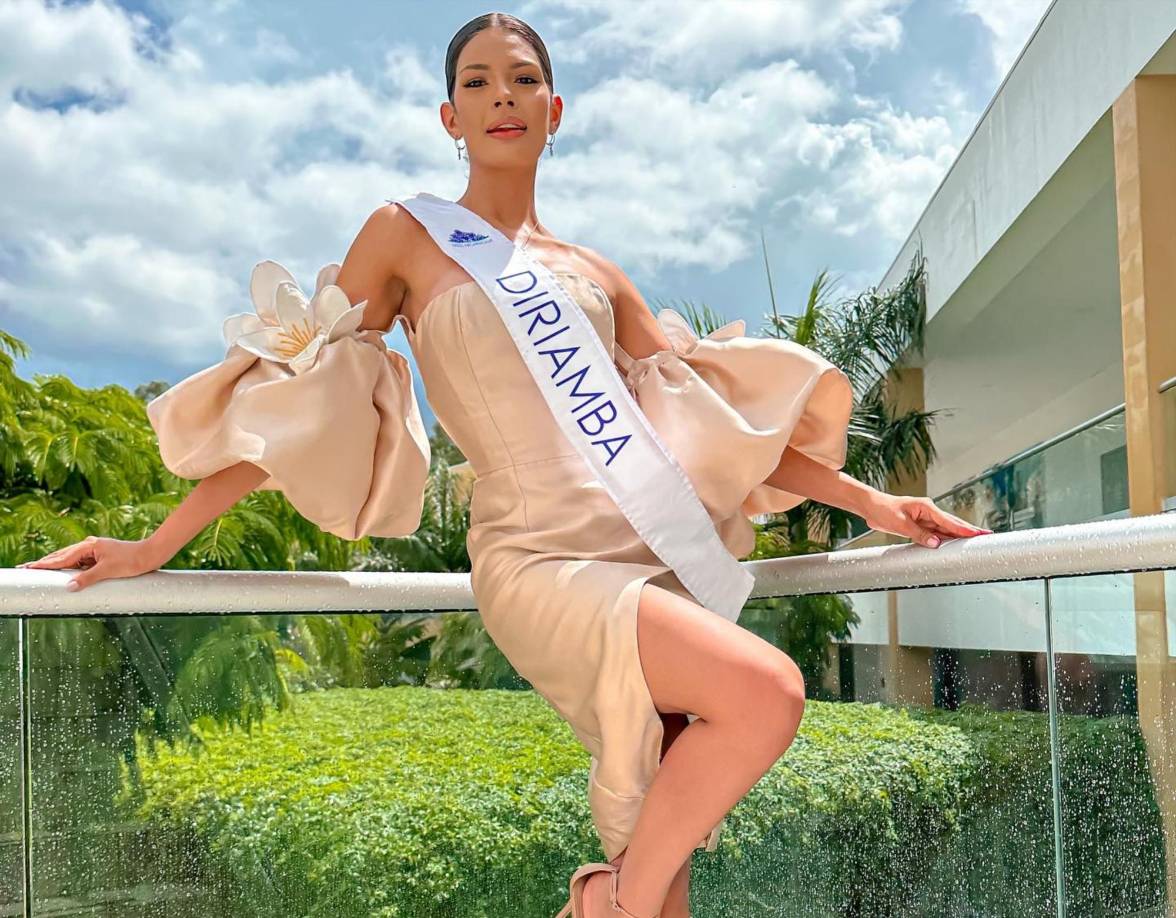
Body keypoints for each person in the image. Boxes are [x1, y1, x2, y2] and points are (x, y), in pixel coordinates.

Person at [16, 12, 992, 918]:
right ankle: (604, 902)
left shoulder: (597, 273)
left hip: (646, 553)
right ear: (451, 116)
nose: (502, 97)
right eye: (477, 82)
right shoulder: (404, 234)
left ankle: (627, 898)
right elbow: (303, 400)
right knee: (765, 694)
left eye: (523, 80)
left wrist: (873, 503)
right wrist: (155, 547)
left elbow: (705, 420)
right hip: (537, 560)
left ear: (554, 110)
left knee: (667, 853)